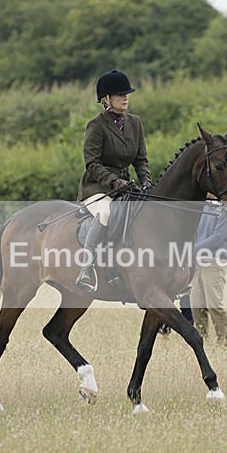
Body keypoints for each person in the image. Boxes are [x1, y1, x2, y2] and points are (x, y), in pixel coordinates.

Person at [76, 69, 152, 292]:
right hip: (97, 188)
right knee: (106, 214)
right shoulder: (96, 125)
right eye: (120, 94)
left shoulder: (135, 123)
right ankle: (86, 270)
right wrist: (113, 182)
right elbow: (92, 163)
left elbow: (141, 159)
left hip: (126, 186)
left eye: (127, 94)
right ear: (106, 99)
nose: (126, 97)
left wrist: (146, 181)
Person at [190, 198, 227, 345]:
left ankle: (224, 341)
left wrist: (192, 249)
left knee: (214, 303)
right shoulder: (201, 209)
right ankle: (202, 340)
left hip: (215, 260)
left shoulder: (226, 211)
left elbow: (217, 238)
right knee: (196, 304)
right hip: (197, 261)